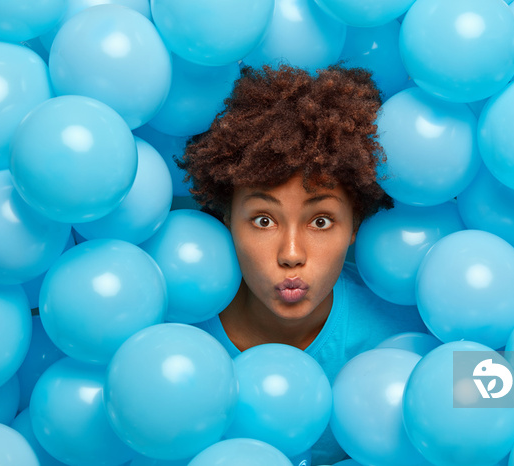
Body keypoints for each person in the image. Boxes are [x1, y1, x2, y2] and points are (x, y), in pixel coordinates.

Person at [178, 63, 424, 464]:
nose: (291, 253)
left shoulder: (402, 336)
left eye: (321, 221)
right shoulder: (175, 330)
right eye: (263, 220)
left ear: (355, 225)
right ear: (227, 219)